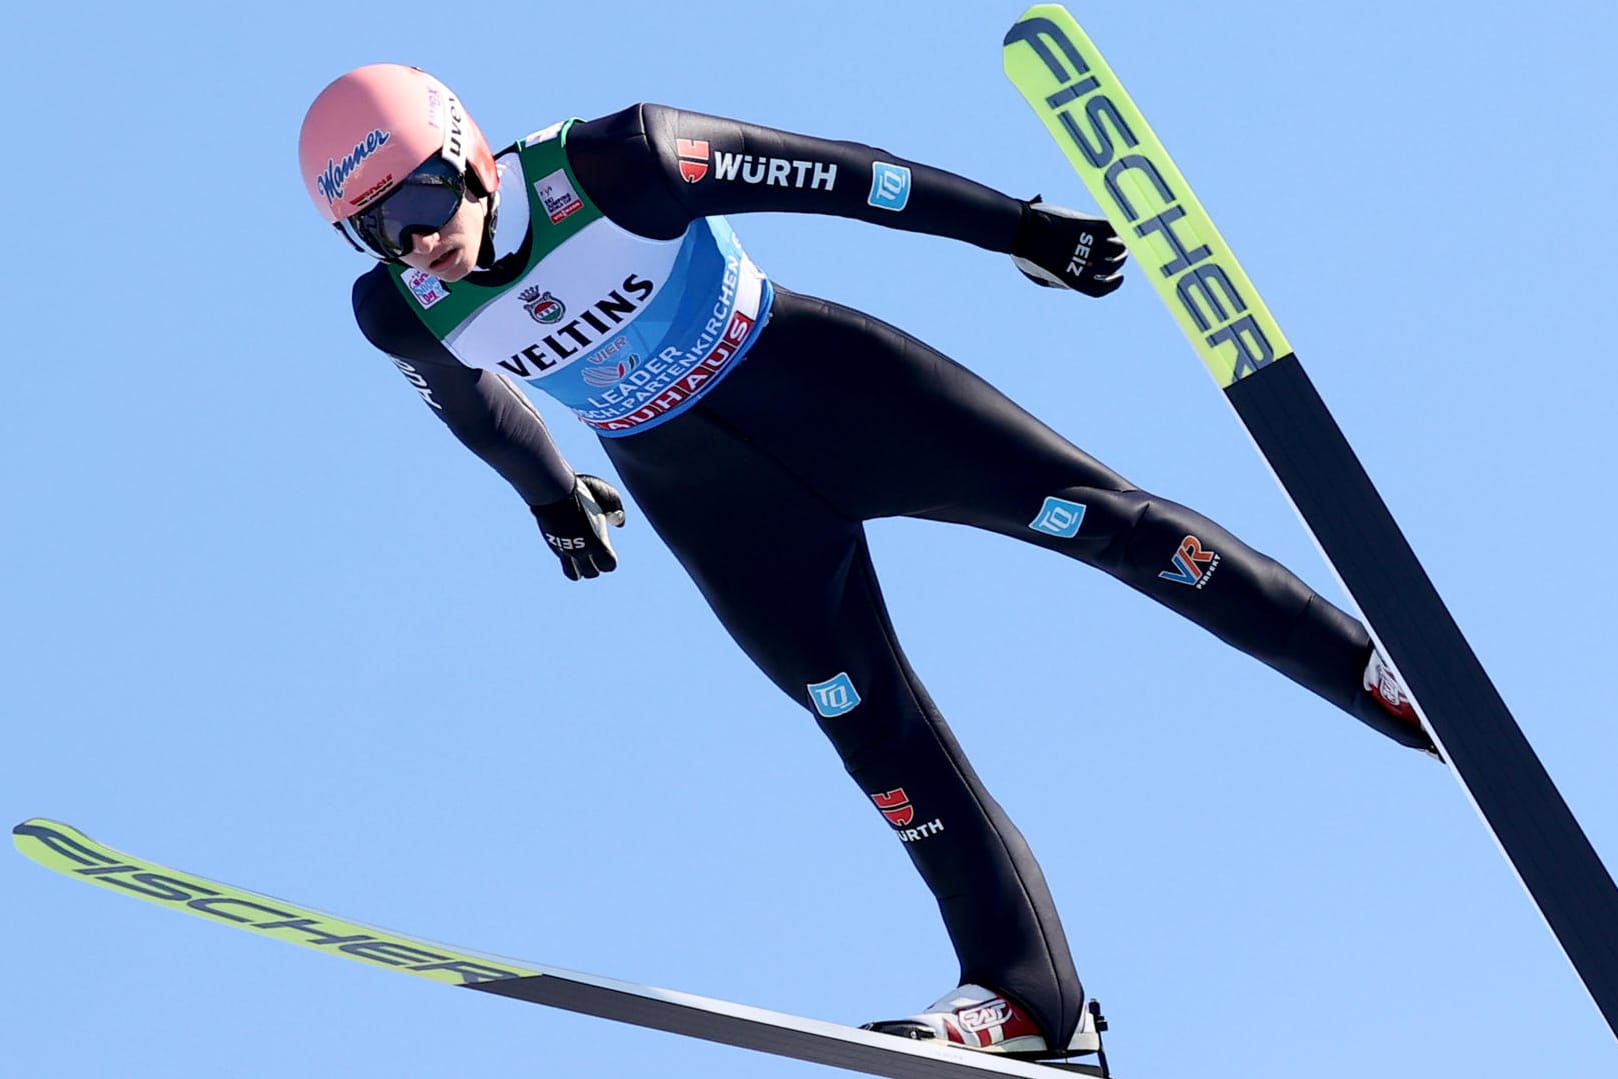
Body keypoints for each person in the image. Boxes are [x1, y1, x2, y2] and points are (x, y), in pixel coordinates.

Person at [298, 64, 1438, 1062]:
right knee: (864, 722)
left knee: (1105, 524)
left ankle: (1375, 674)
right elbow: (473, 407)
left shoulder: (617, 162)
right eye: (374, 226)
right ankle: (1031, 998)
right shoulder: (401, 306)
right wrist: (552, 496)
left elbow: (854, 178)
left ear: (465, 151)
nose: (412, 237)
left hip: (832, 393)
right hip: (717, 505)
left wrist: (1020, 229)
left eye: (419, 197)